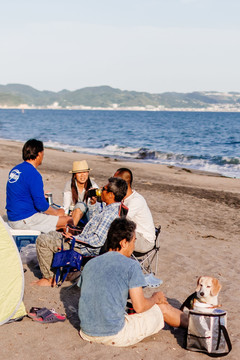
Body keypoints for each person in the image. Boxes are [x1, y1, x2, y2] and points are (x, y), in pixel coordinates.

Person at [78, 217, 188, 347]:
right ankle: (198, 327)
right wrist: (156, 298)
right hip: (114, 334)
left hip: (86, 331)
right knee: (162, 308)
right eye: (134, 241)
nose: (134, 246)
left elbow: (97, 290)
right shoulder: (131, 266)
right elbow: (139, 307)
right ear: (124, 243)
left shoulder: (91, 263)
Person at [35, 177, 128, 286]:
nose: (101, 191)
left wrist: (74, 239)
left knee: (42, 240)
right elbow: (94, 225)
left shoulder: (109, 214)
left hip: (85, 249)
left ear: (111, 195)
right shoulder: (112, 208)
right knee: (51, 234)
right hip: (84, 242)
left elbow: (97, 241)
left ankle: (50, 278)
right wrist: (93, 205)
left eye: (104, 189)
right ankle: (57, 270)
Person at [6, 139, 72, 233]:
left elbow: (19, 192)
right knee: (68, 220)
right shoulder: (34, 174)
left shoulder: (15, 170)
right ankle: (69, 245)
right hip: (23, 220)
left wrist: (40, 195)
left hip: (13, 217)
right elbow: (41, 205)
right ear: (39, 154)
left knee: (54, 216)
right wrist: (57, 213)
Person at [114, 168, 155, 252]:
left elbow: (120, 221)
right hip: (133, 234)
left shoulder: (136, 200)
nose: (112, 185)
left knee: (115, 232)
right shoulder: (122, 198)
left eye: (114, 182)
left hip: (144, 241)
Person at [63, 160, 98, 225]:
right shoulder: (69, 185)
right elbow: (66, 206)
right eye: (79, 173)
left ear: (88, 173)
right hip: (75, 213)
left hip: (89, 215)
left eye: (84, 172)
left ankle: (71, 228)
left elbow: (95, 208)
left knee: (81, 205)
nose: (82, 175)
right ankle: (70, 228)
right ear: (74, 175)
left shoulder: (93, 186)